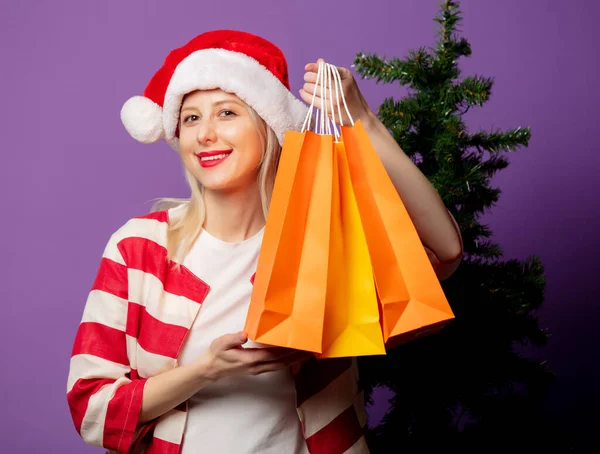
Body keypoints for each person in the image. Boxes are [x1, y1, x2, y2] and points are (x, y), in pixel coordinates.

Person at [66, 29, 463, 454]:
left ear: (267, 126)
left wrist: (362, 121)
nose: (205, 134)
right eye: (191, 118)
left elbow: (444, 251)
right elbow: (93, 409)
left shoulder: (322, 237)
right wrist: (207, 370)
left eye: (227, 113)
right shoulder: (138, 248)